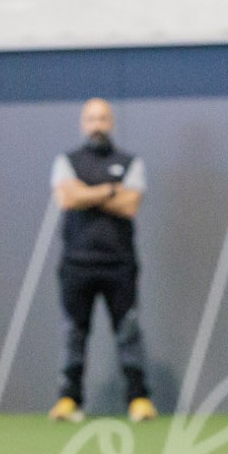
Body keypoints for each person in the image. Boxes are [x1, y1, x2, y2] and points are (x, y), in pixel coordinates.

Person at [49, 99, 156, 423]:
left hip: (119, 264)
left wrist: (87, 193)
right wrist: (111, 190)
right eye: (91, 119)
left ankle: (138, 399)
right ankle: (69, 399)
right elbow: (67, 198)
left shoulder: (130, 162)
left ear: (111, 122)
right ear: (83, 123)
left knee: (128, 330)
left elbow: (130, 205)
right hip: (76, 264)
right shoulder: (67, 161)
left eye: (102, 118)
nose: (97, 124)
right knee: (74, 332)